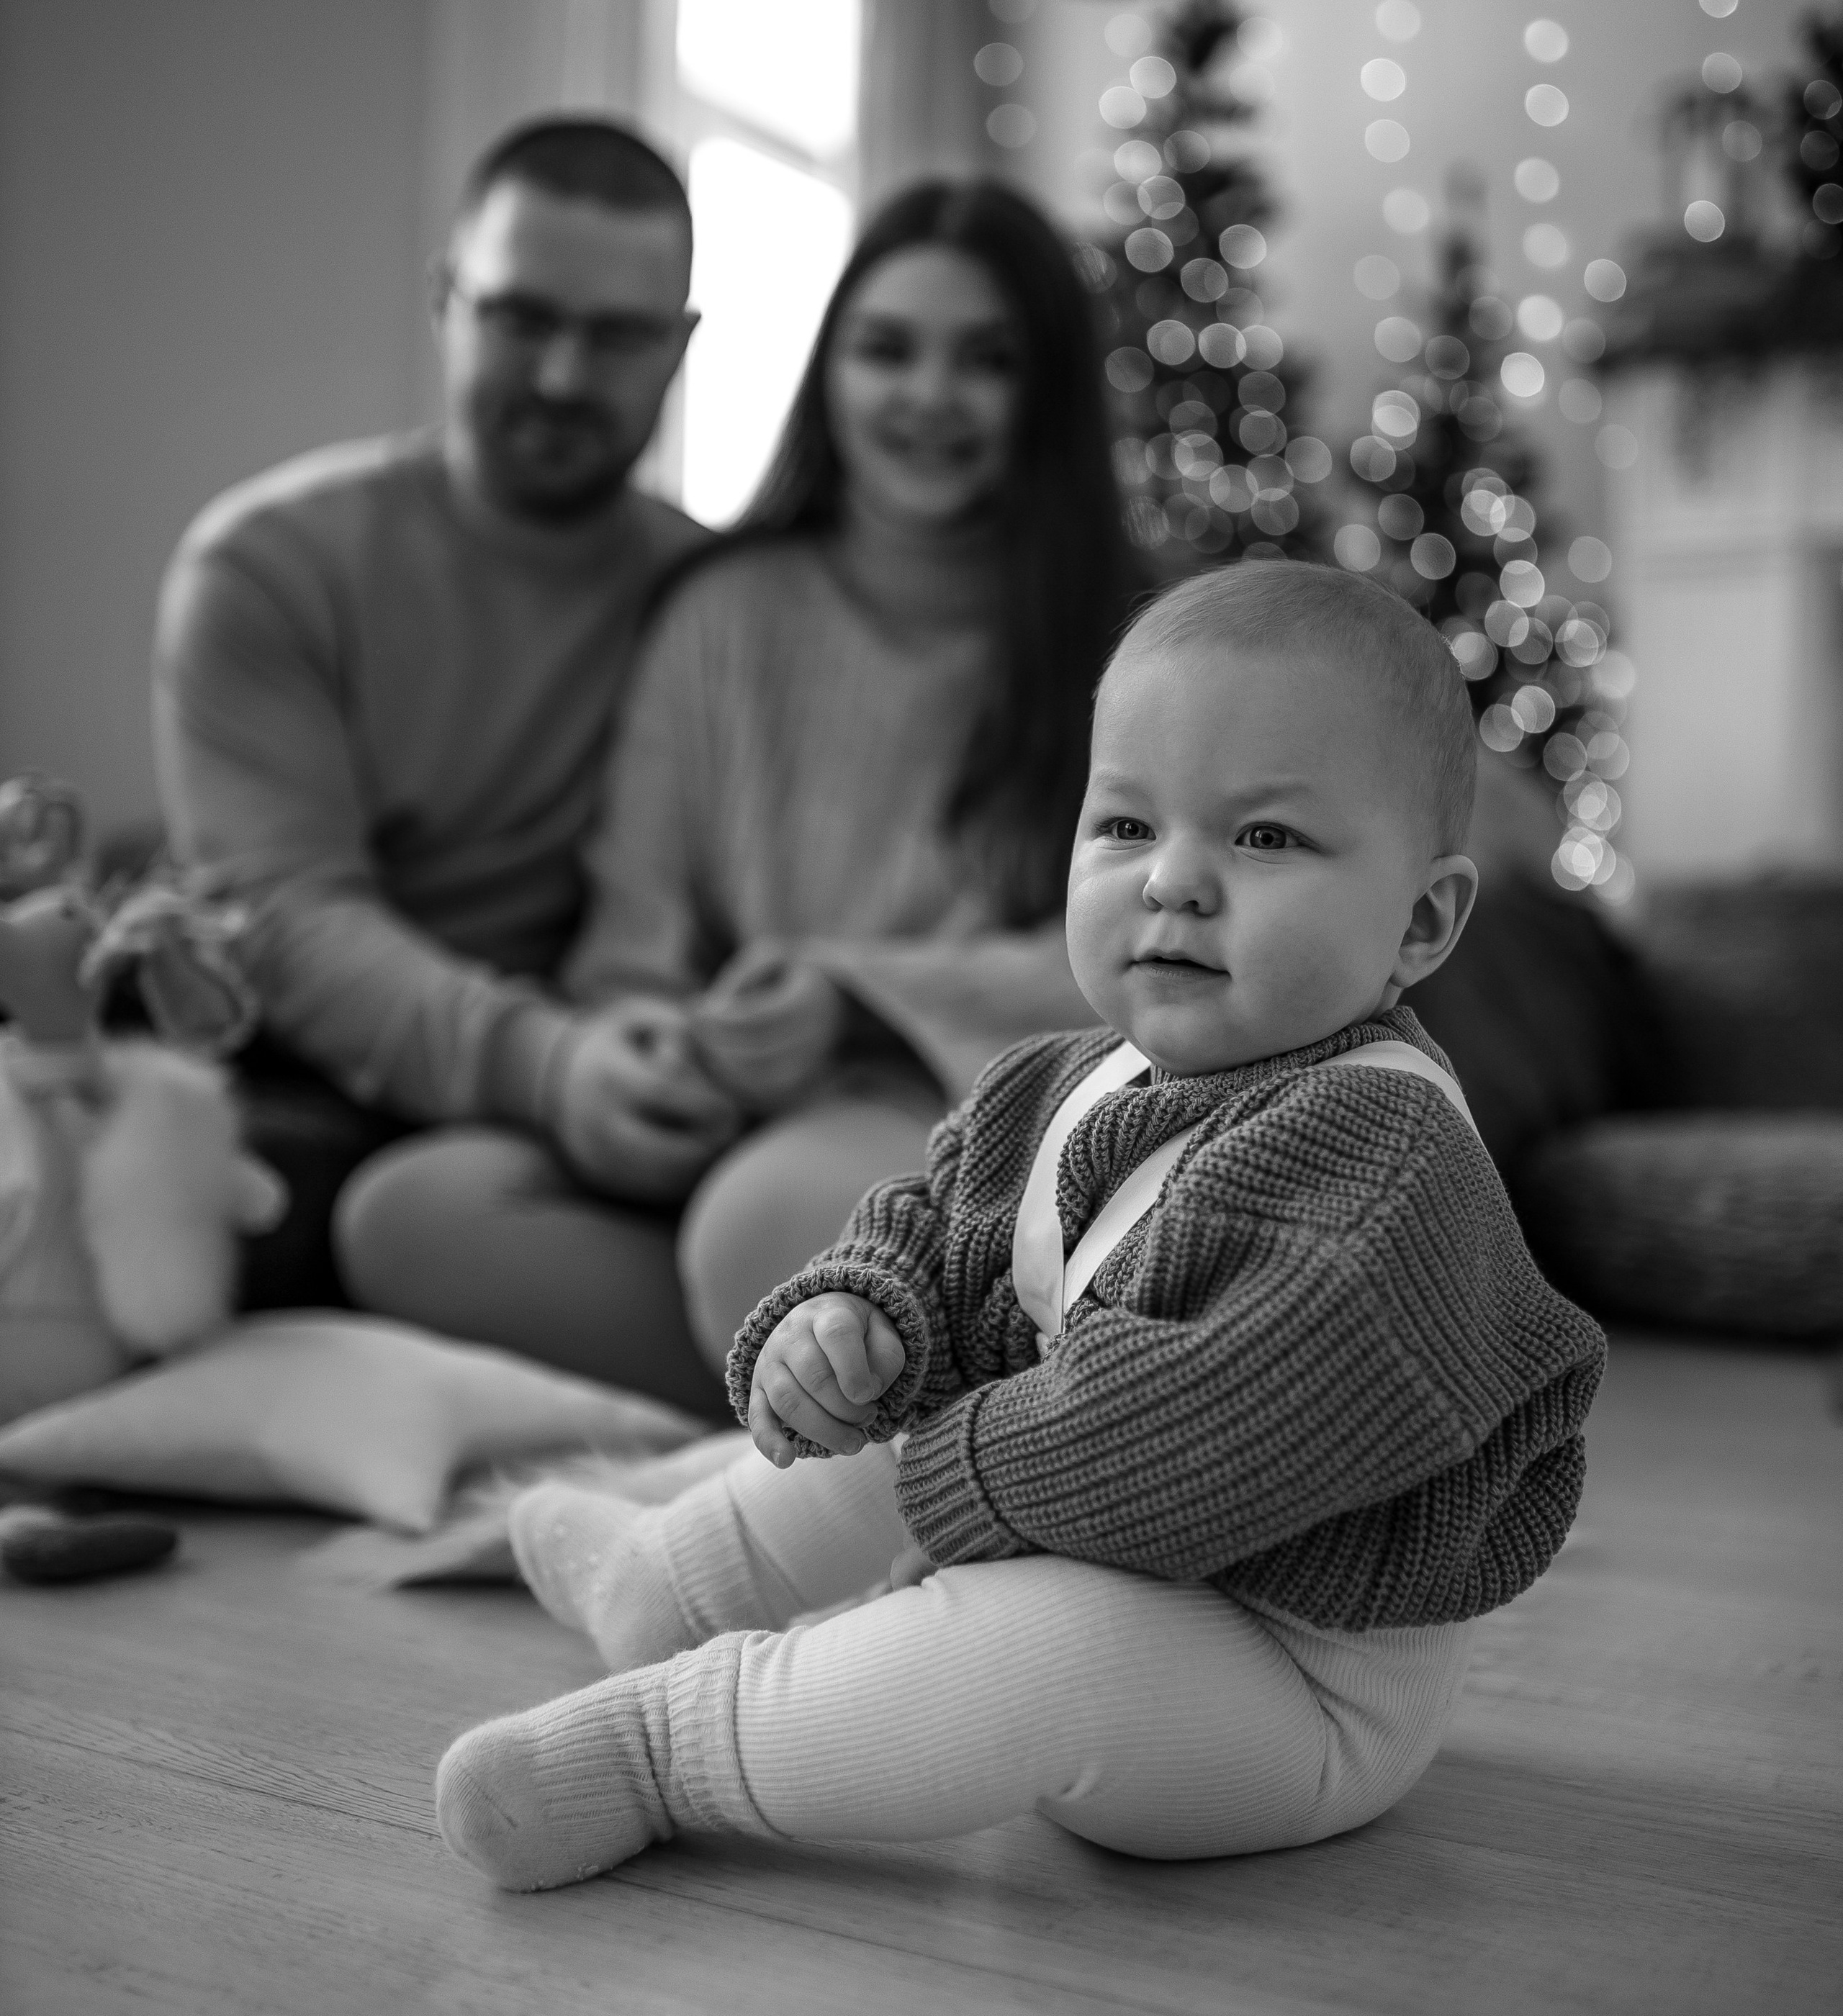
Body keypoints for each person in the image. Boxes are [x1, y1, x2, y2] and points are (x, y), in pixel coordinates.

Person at [431, 560, 1607, 1892]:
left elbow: (1184, 1440)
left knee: (1040, 1636)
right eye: (1127, 825)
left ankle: (664, 1752)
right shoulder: (1064, 1079)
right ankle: (669, 1582)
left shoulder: (1388, 1163)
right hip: (1085, 1512)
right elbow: (941, 1218)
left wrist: (936, 1499)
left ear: (1422, 920)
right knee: (894, 1393)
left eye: (1267, 838)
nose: (1175, 881)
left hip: (1290, 1675)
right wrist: (859, 1310)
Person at [335, 180, 1136, 1393]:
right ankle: (830, 1391)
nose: (928, 395)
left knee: (759, 1226)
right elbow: (634, 927)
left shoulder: (1130, 642)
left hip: (958, 1111)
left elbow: (1143, 947)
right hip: (741, 1102)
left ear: (1048, 395)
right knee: (409, 1214)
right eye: (886, 350)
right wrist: (648, 1053)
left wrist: (858, 1000)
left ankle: (836, 1382)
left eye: (986, 360)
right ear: (830, 374)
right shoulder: (721, 611)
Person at [153, 117, 734, 1410]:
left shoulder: (720, 600)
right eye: (523, 318)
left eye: (619, 335)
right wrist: (547, 1066)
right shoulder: (268, 565)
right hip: (328, 1074)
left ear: (681, 346)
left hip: (613, 1085)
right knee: (181, 1213)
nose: (565, 374)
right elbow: (283, 919)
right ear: (445, 300)